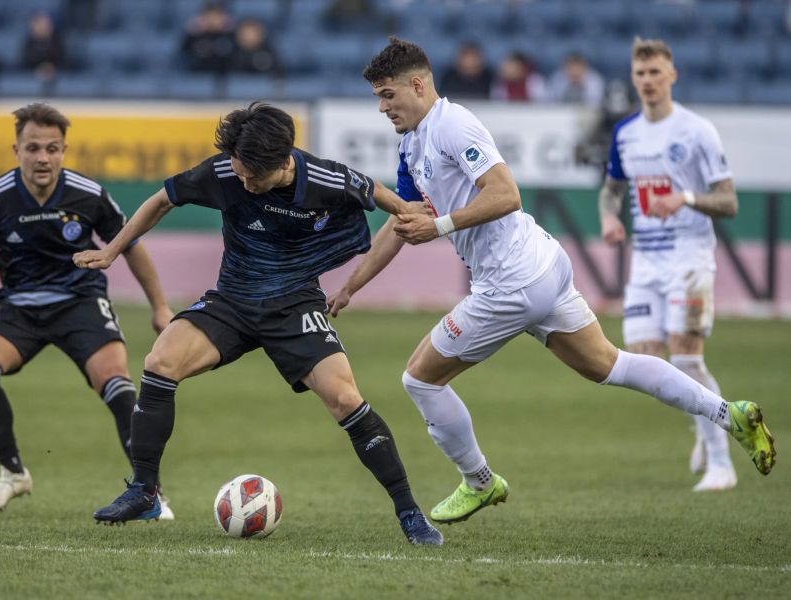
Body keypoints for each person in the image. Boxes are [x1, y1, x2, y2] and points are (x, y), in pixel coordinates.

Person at [328, 37, 775, 524]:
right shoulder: (412, 143)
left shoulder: (453, 125)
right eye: (377, 97)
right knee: (611, 365)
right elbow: (403, 220)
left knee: (419, 379)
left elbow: (506, 194)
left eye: (387, 95)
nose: (382, 107)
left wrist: (441, 226)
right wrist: (353, 285)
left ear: (417, 84)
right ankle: (728, 413)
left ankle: (479, 482)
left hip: (512, 281)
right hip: (540, 264)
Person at [73, 102, 443, 545]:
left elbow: (374, 191)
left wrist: (407, 210)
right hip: (233, 299)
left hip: (294, 304)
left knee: (345, 398)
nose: (243, 182)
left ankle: (409, 513)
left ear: (285, 162)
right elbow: (161, 200)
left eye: (253, 177)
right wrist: (113, 250)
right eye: (239, 172)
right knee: (160, 362)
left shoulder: (325, 178)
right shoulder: (226, 173)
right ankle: (144, 491)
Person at [0, 103, 176, 516]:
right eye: (33, 148)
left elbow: (131, 245)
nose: (42, 158)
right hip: (19, 308)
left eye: (52, 148)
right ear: (16, 150)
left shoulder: (89, 194)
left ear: (64, 150)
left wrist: (160, 307)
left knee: (117, 382)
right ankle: (12, 474)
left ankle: (149, 493)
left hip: (80, 302)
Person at [598, 38, 746, 492]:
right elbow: (612, 189)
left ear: (672, 75)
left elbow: (729, 201)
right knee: (646, 361)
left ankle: (721, 461)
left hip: (690, 258)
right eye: (640, 74)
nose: (647, 81)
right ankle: (704, 422)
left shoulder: (697, 131)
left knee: (685, 355)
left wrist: (683, 197)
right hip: (646, 260)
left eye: (655, 73)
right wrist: (608, 216)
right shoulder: (626, 133)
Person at [178, 2, 235, 74]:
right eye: (209, 16)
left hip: (225, 77)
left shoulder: (231, 36)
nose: (212, 20)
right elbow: (183, 56)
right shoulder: (194, 36)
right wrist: (190, 33)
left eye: (216, 16)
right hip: (197, 76)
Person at [21, 11, 67, 82]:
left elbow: (64, 62)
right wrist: (37, 68)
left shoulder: (58, 42)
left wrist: (51, 68)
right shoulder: (28, 43)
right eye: (37, 25)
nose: (41, 28)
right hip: (31, 79)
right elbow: (24, 62)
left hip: (56, 78)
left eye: (44, 25)